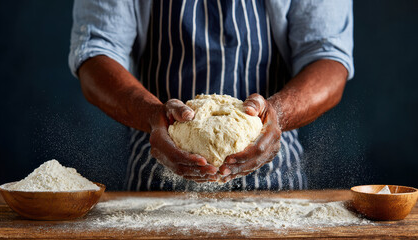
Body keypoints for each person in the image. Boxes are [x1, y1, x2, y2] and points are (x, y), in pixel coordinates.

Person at [69, 0, 353, 191]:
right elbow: (96, 52)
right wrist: (151, 115)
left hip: (275, 179)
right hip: (158, 182)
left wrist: (276, 113)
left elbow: (328, 58)